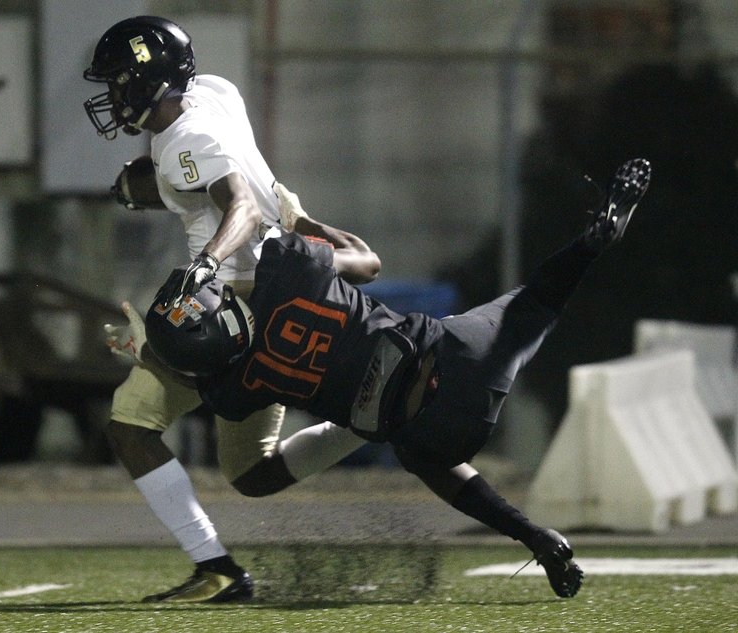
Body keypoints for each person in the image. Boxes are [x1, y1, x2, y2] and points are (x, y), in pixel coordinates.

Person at [146, 157, 653, 599]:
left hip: (440, 430)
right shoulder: (288, 268)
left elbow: (198, 378)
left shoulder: (234, 389)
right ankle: (591, 244)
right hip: (457, 358)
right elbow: (366, 260)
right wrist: (301, 221)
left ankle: (535, 537)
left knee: (420, 452)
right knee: (538, 299)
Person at [83, 15, 369, 603]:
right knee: (252, 473)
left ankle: (217, 570)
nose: (109, 95)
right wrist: (155, 192)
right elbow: (225, 178)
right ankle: (365, 422)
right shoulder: (214, 91)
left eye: (116, 81)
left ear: (145, 81)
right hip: (279, 290)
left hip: (232, 306)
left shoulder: (183, 141)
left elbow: (238, 205)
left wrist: (204, 266)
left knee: (131, 424)